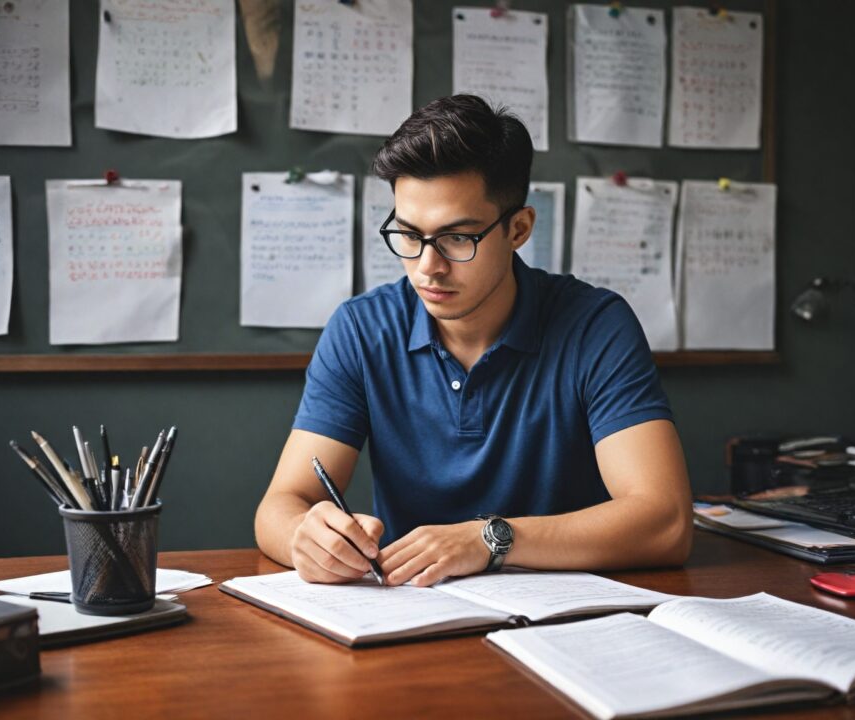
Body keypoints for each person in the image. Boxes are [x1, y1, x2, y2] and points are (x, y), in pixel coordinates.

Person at [255, 95, 692, 587]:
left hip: (565, 625)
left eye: (458, 238)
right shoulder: (361, 329)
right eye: (408, 233)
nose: (427, 267)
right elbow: (279, 505)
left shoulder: (595, 326)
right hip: (409, 616)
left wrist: (489, 540)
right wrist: (304, 537)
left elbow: (666, 522)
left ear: (518, 229)